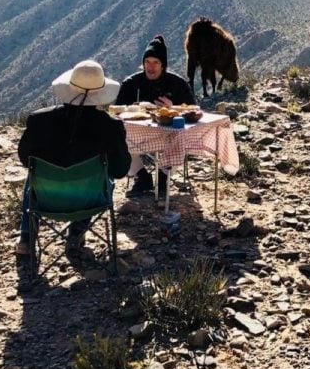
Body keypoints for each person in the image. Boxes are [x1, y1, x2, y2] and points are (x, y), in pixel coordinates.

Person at [16, 60, 131, 255]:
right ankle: (76, 232)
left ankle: (27, 238)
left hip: (45, 199)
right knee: (104, 176)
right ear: (100, 94)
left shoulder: (38, 120)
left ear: (69, 87)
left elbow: (24, 158)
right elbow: (120, 170)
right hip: (90, 200)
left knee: (34, 173)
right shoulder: (110, 127)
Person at [115, 34, 195, 197]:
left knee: (179, 138)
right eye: (147, 62)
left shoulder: (178, 84)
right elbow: (117, 111)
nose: (150, 67)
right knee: (116, 136)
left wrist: (174, 108)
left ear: (163, 65)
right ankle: (142, 176)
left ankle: (164, 177)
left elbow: (193, 110)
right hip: (138, 135)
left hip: (169, 134)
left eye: (155, 63)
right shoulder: (131, 84)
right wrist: (133, 110)